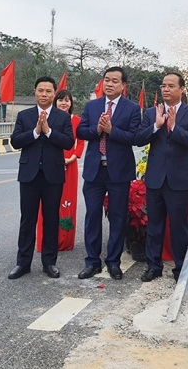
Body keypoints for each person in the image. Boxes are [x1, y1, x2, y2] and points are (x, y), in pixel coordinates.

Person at [134, 72, 188, 282]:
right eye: (164, 85)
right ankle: (153, 266)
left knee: (179, 226)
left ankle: (180, 268)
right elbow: (138, 139)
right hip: (155, 179)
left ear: (182, 89)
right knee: (154, 226)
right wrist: (156, 125)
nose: (166, 89)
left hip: (178, 180)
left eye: (171, 86)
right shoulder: (151, 112)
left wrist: (173, 127)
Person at [76, 67, 141, 280]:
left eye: (115, 81)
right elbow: (81, 131)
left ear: (123, 86)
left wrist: (112, 131)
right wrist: (97, 129)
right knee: (92, 216)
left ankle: (113, 262)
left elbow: (135, 137)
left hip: (118, 172)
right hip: (95, 172)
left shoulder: (132, 108)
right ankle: (92, 262)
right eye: (107, 80)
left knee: (117, 217)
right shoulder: (92, 106)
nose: (110, 84)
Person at [8, 76, 74, 280]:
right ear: (35, 92)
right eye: (40, 91)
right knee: (27, 219)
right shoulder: (24, 115)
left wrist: (49, 131)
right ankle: (23, 263)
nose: (44, 94)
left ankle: (49, 262)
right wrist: (36, 132)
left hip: (53, 176)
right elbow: (15, 142)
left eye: (48, 91)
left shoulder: (62, 118)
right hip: (29, 175)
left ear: (54, 94)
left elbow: (68, 142)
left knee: (51, 218)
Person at [53, 89, 85, 250]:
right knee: (50, 200)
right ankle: (48, 239)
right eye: (60, 100)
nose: (63, 103)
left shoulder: (77, 121)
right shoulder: (48, 118)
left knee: (67, 200)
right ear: (55, 102)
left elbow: (80, 143)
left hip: (69, 165)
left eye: (66, 100)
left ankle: (65, 240)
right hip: (51, 164)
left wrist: (72, 158)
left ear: (71, 103)